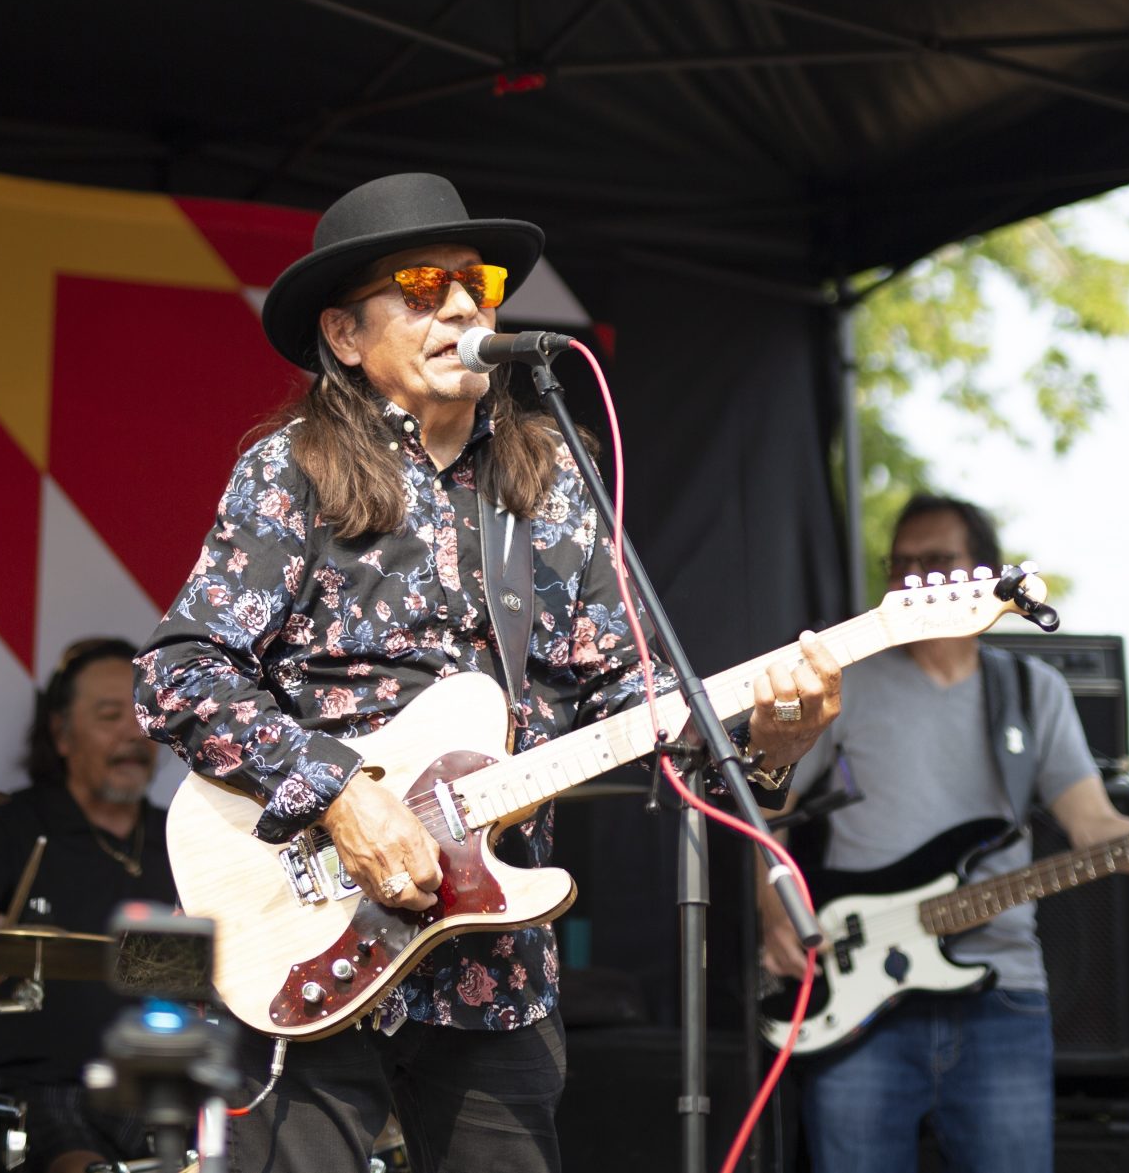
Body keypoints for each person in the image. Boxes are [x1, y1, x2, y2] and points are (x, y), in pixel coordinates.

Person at [134, 171, 843, 1173]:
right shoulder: (292, 469)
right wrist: (340, 796)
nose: (465, 306)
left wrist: (763, 745)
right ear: (345, 335)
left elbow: (624, 698)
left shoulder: (550, 481)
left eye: (482, 283)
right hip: (311, 932)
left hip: (489, 961)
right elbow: (180, 674)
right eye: (424, 286)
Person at [759, 493, 1129, 1173]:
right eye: (899, 563)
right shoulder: (847, 682)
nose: (913, 577)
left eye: (935, 560)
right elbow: (765, 806)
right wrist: (773, 908)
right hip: (859, 992)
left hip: (1003, 995)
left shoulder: (1032, 689)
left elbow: (1094, 826)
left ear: (980, 574)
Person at [0, 636, 176, 1173]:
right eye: (110, 715)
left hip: (158, 1092)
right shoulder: (9, 827)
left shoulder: (182, 837)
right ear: (61, 733)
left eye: (142, 716)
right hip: (41, 1090)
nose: (132, 734)